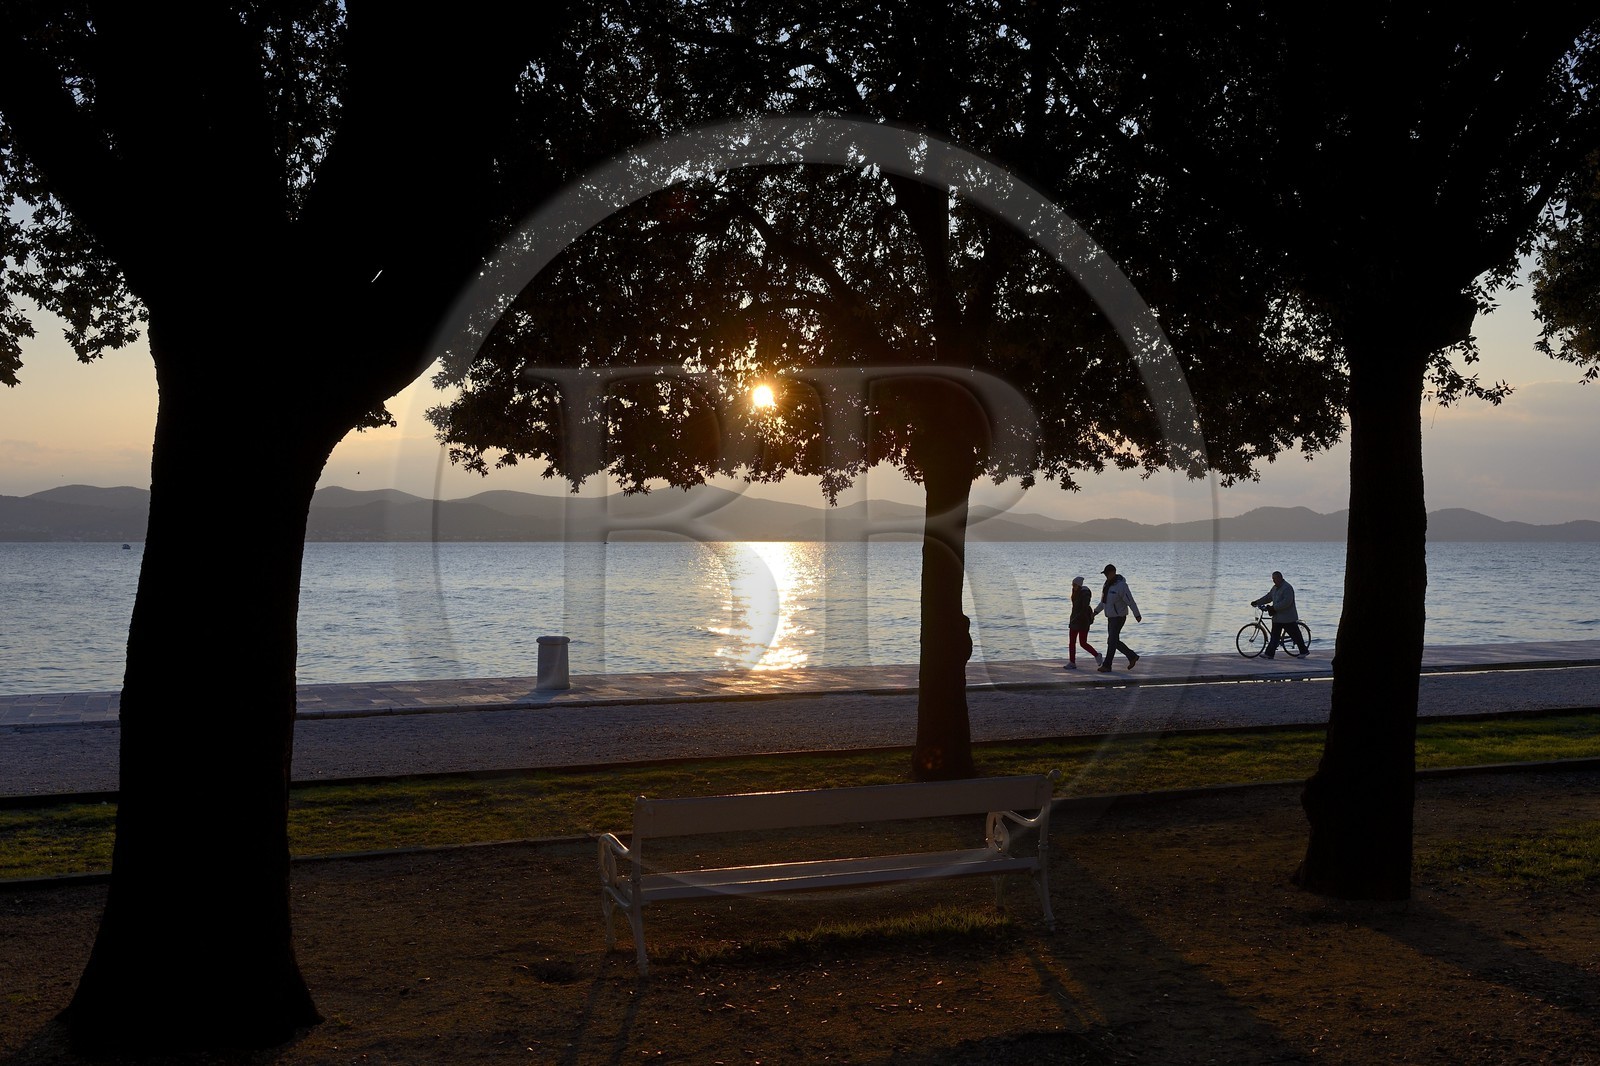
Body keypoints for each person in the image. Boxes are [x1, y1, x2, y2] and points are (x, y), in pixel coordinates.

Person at [1091, 564, 1141, 672]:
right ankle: (1132, 656)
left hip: (1119, 618)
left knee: (1112, 641)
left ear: (1113, 572)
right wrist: (1095, 612)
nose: (1106, 576)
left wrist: (1137, 614)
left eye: (1107, 573)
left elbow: (1130, 601)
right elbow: (1103, 602)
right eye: (1105, 574)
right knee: (1113, 641)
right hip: (1110, 617)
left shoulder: (1121, 586)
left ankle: (1107, 665)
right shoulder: (1106, 585)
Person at [1251, 570, 1308, 658]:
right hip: (1277, 618)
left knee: (1295, 636)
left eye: (1275, 579)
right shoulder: (1274, 588)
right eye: (1273, 579)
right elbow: (1268, 597)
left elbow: (1286, 602)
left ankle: (1304, 651)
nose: (1274, 581)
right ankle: (1269, 654)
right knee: (1274, 636)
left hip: (1287, 618)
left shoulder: (1287, 588)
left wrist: (1274, 608)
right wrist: (1257, 602)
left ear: (1280, 578)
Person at [1063, 576, 1102, 670]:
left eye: (1074, 585)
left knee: (1083, 643)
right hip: (1074, 620)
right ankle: (1072, 662)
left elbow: (1084, 608)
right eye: (1072, 585)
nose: (1073, 586)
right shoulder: (1075, 593)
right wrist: (1073, 618)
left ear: (1079, 585)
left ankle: (1097, 655)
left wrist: (1081, 618)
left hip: (1083, 621)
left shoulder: (1085, 594)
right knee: (1072, 642)